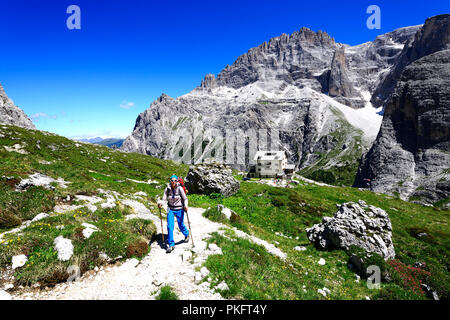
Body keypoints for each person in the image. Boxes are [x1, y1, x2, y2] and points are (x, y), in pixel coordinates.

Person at [157, 175, 190, 253]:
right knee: (169, 226)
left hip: (180, 209)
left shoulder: (180, 188)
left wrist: (186, 205)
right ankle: (171, 245)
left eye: (175, 180)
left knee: (180, 224)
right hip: (171, 209)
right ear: (170, 181)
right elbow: (164, 199)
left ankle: (187, 234)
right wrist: (160, 203)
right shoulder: (167, 189)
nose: (173, 182)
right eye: (172, 180)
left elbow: (185, 199)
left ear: (177, 181)